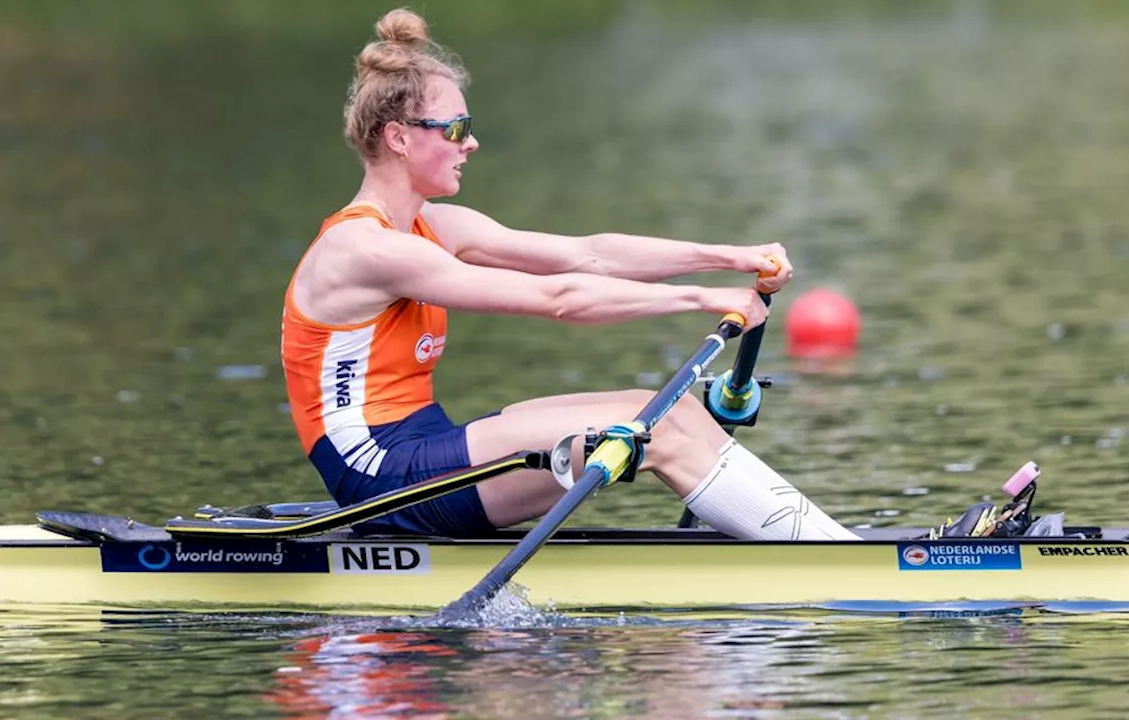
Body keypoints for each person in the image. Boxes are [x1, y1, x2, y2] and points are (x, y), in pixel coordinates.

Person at [280, 7, 860, 541]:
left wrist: (732, 256)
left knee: (670, 407)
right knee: (648, 429)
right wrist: (703, 297)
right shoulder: (364, 248)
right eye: (455, 128)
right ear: (400, 138)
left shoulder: (436, 225)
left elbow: (588, 256)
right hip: (382, 478)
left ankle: (830, 544)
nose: (472, 142)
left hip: (424, 446)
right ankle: (840, 562)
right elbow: (560, 298)